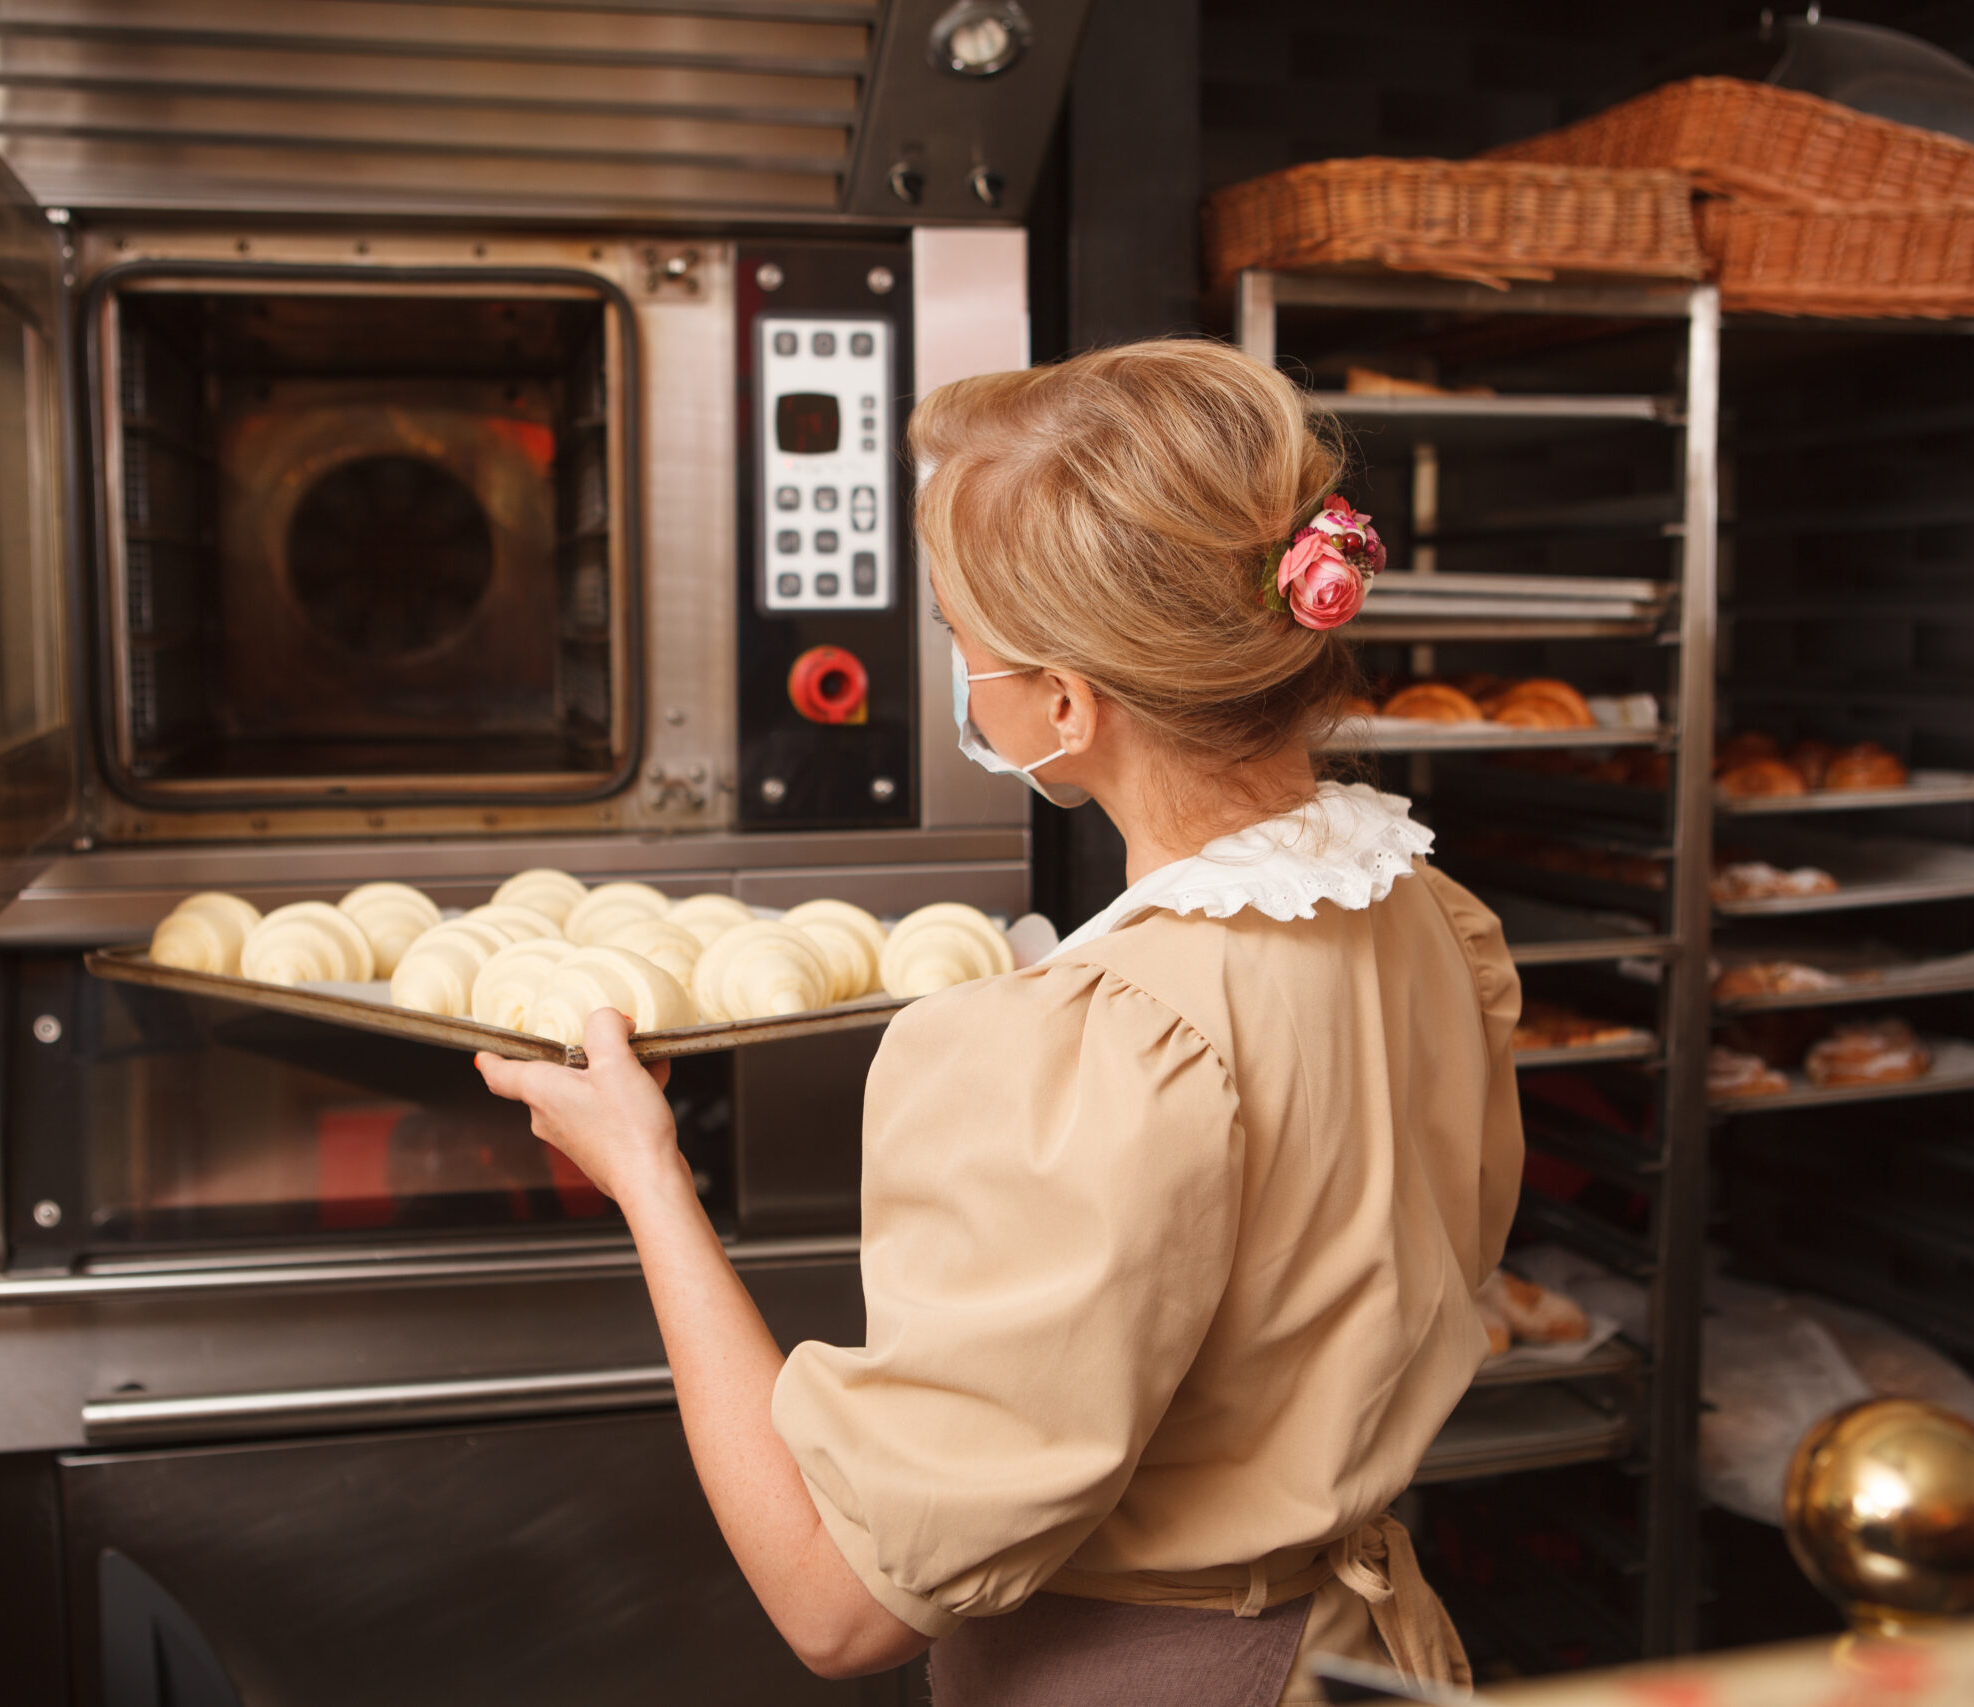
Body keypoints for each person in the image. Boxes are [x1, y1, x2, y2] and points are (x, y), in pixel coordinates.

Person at [477, 338, 1524, 1705]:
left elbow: (837, 1608)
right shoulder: (1433, 923)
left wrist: (647, 1179)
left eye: (958, 629)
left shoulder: (1101, 1043)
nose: (956, 662)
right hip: (1358, 1658)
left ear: (1066, 701)